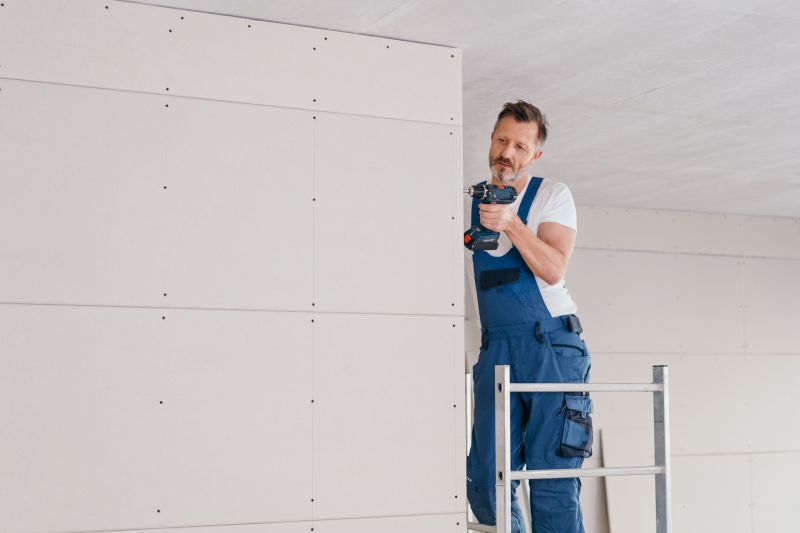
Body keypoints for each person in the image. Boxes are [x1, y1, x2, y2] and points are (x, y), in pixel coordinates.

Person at [465, 100, 593, 533]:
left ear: (534, 155)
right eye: (502, 140)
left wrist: (512, 224)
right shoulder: (467, 202)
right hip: (495, 347)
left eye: (520, 146)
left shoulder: (552, 195)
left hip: (551, 346)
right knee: (485, 479)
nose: (508, 153)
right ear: (491, 140)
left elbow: (554, 268)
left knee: (550, 478)